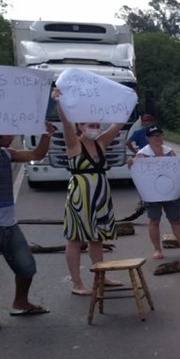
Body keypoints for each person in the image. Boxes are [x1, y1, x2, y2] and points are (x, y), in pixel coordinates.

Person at [53, 87, 126, 296]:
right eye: (90, 125)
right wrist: (59, 102)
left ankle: (100, 276)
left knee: (97, 238)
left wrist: (126, 101)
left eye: (96, 124)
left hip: (101, 194)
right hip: (81, 196)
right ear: (80, 127)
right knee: (76, 239)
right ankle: (76, 283)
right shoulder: (74, 144)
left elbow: (118, 124)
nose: (95, 127)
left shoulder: (101, 142)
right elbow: (66, 124)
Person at [0, 124, 56, 330]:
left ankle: (21, 303)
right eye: (7, 132)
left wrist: (46, 135)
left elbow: (36, 154)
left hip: (9, 225)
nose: (12, 135)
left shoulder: (7, 154)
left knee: (27, 267)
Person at [131, 125, 180, 260]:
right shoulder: (142, 154)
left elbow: (179, 168)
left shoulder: (170, 152)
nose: (158, 138)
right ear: (148, 138)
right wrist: (131, 163)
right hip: (152, 194)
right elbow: (139, 175)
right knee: (154, 220)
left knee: (175, 220)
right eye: (155, 136)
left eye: (160, 135)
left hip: (170, 192)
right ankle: (157, 249)